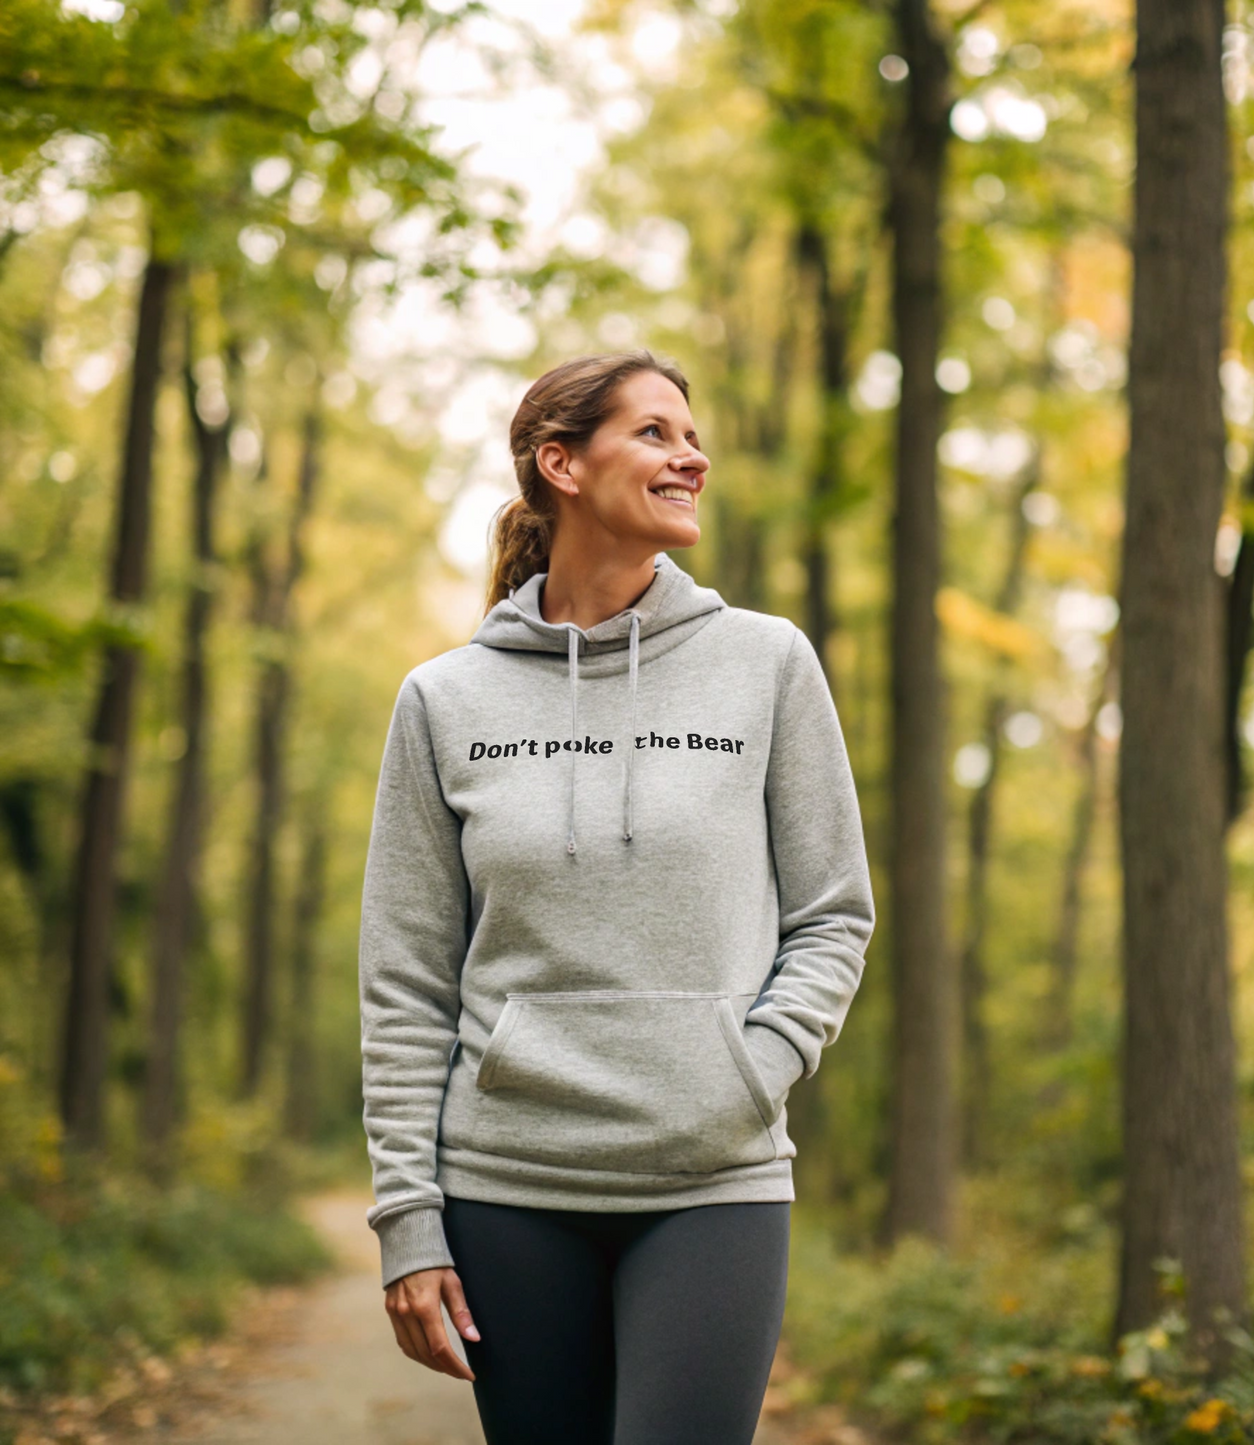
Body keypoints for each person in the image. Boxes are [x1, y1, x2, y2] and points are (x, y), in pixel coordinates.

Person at [357, 348, 875, 1444]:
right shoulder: (443, 700)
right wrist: (409, 1218)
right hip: (504, 1185)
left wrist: (750, 1066)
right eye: (654, 432)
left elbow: (832, 912)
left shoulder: (765, 663)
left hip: (711, 1178)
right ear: (562, 463)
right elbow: (403, 979)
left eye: (690, 436)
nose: (690, 456)